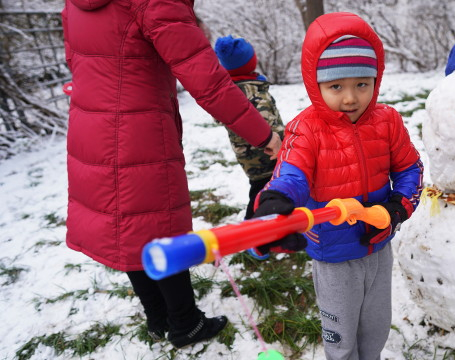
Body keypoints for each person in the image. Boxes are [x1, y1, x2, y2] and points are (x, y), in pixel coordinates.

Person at [61, 0, 281, 348]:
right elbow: (207, 80)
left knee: (131, 226)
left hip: (91, 121)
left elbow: (74, 55)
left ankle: (158, 318)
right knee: (158, 225)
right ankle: (185, 323)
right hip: (138, 129)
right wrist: (264, 134)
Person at [251, 12, 424, 360]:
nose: (350, 98)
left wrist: (393, 209)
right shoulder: (307, 128)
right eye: (336, 86)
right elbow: (292, 174)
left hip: (378, 246)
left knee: (376, 327)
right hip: (332, 254)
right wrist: (275, 202)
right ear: (316, 85)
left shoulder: (387, 121)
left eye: (362, 84)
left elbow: (410, 168)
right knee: (341, 333)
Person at [213, 35, 285, 220]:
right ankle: (253, 228)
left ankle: (268, 223)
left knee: (263, 188)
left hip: (250, 155)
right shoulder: (249, 91)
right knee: (262, 190)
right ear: (251, 61)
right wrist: (283, 140)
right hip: (265, 154)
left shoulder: (233, 88)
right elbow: (263, 121)